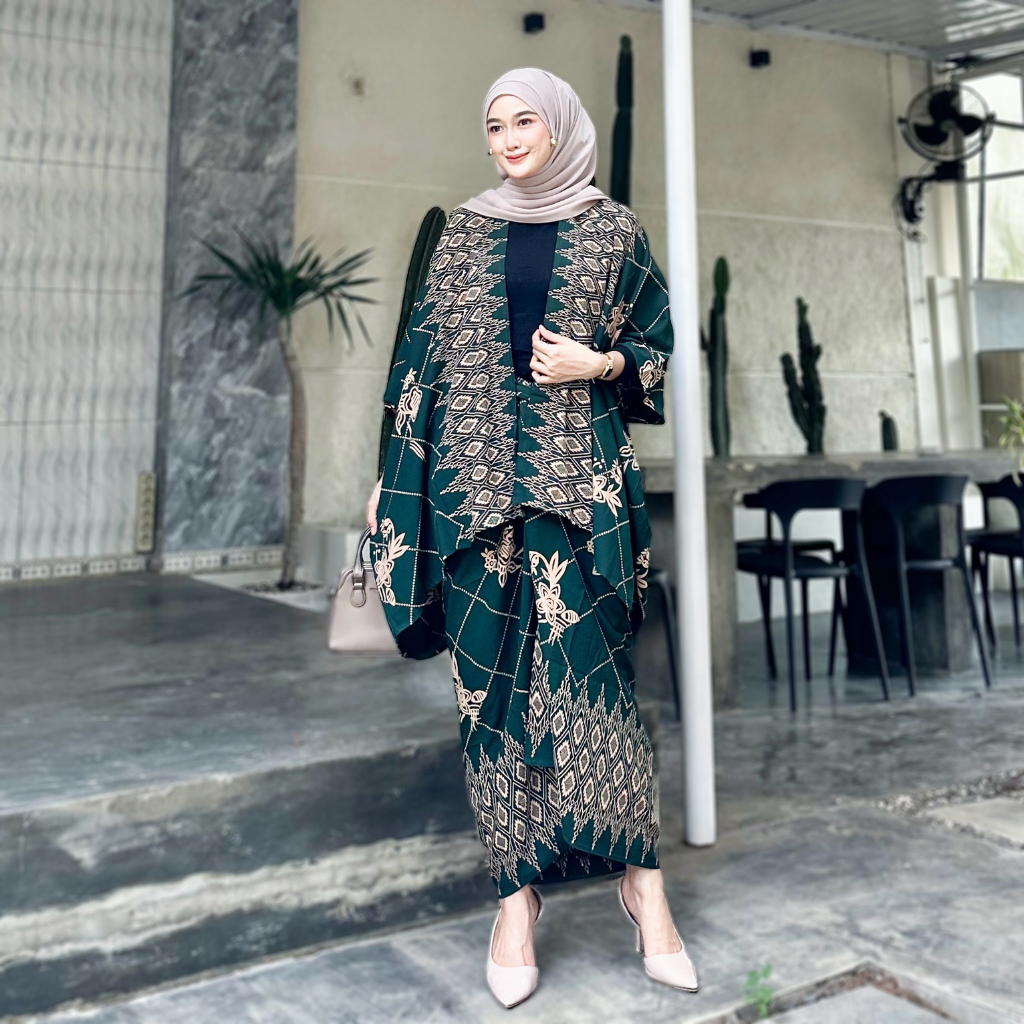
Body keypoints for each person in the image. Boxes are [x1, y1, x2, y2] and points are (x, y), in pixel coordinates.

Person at [366, 66, 698, 1008]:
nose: (508, 140)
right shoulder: (463, 235)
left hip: (578, 495)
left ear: (558, 127)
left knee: (599, 691)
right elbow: (416, 367)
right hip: (471, 497)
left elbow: (658, 344)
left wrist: (600, 362)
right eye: (493, 126)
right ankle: (516, 901)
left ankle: (643, 885)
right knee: (488, 701)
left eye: (524, 122)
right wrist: (390, 485)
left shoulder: (612, 229)